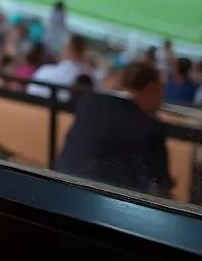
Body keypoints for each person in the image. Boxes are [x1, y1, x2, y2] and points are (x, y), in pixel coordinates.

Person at [54, 61, 173, 198]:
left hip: (59, 189)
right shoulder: (150, 126)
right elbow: (162, 185)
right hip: (106, 203)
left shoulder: (89, 104)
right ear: (152, 88)